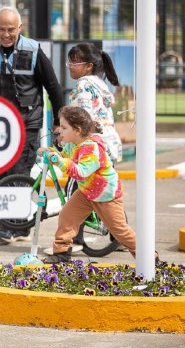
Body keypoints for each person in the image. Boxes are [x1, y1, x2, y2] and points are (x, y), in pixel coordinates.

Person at [0, 6, 64, 244]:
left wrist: (59, 122)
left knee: (18, 173)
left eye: (11, 29)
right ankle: (10, 226)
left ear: (20, 28)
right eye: (1, 29)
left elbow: (52, 86)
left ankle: (13, 227)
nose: (6, 34)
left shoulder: (33, 50)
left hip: (26, 123)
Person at [39, 106, 137, 264]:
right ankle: (61, 253)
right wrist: (50, 152)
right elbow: (63, 156)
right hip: (86, 192)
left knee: (120, 230)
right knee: (67, 216)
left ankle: (148, 256)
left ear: (77, 130)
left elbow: (80, 172)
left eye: (64, 128)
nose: (60, 131)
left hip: (106, 195)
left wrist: (57, 160)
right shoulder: (73, 145)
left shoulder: (91, 148)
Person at [66, 42, 122, 164]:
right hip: (109, 146)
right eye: (69, 62)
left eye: (74, 63)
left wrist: (65, 136)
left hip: (91, 150)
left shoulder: (83, 85)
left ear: (89, 66)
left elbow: (83, 118)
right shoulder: (101, 84)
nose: (70, 66)